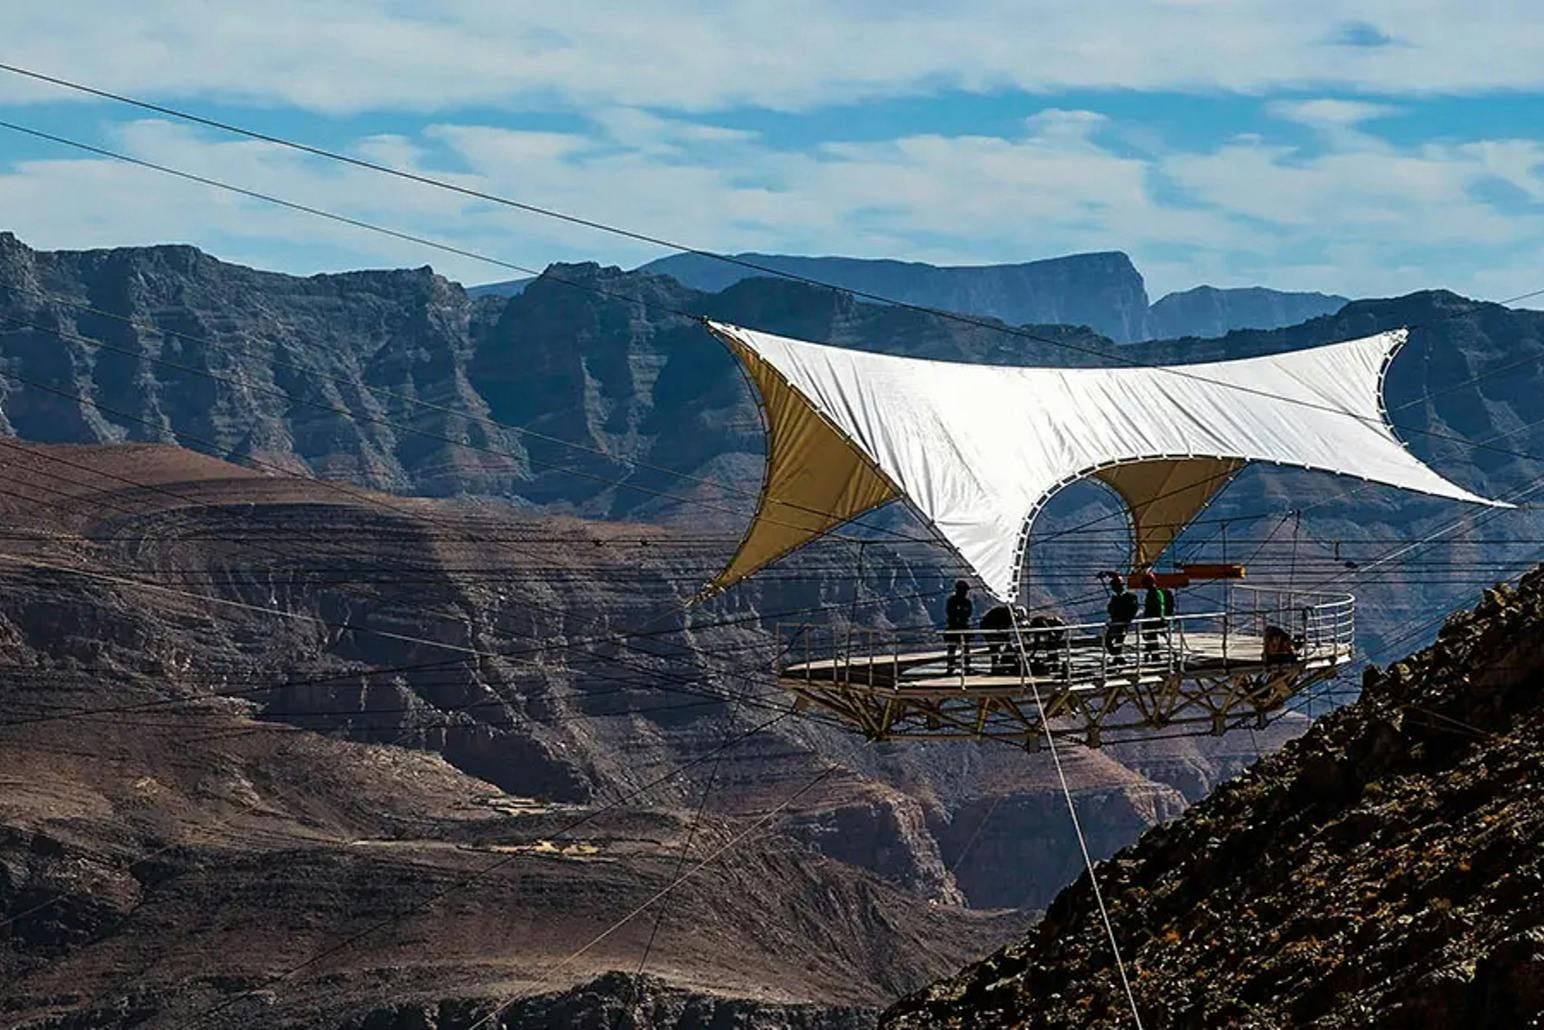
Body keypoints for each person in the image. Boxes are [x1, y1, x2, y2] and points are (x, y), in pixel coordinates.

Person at [1104, 572, 1139, 662]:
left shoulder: (1129, 597)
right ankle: (1118, 657)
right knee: (1110, 641)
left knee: (1116, 641)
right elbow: (1110, 609)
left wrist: (1127, 620)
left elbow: (1132, 610)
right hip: (1116, 622)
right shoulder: (1116, 598)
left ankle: (1118, 658)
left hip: (1122, 623)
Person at [1140, 572, 1175, 660]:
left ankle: (1154, 657)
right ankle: (1152, 656)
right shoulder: (1153, 593)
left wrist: (1158, 620)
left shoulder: (1155, 594)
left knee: (1151, 639)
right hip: (1152, 620)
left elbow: (1159, 607)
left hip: (1154, 621)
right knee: (1151, 640)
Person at [944, 580, 974, 674]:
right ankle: (951, 667)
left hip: (964, 627)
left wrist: (961, 616)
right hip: (953, 627)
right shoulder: (952, 601)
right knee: (952, 648)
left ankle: (967, 667)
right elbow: (950, 613)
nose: (964, 592)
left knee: (965, 648)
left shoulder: (967, 602)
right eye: (963, 590)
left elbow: (968, 613)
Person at [979, 604, 1015, 673]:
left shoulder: (1001, 613)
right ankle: (998, 667)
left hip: (993, 632)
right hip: (992, 632)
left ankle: (997, 667)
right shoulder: (1001, 614)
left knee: (995, 651)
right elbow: (1004, 627)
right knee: (995, 650)